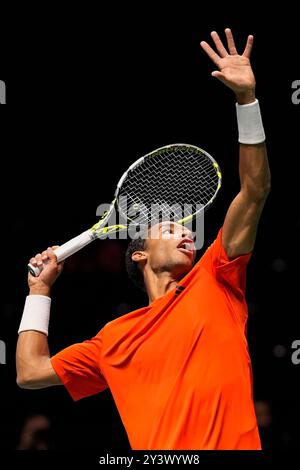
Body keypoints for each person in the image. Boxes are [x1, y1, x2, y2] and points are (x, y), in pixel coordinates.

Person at [16, 29, 270, 450]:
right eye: (170, 228)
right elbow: (29, 372)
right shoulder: (113, 339)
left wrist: (247, 101)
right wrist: (39, 292)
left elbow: (255, 190)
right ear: (139, 254)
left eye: (187, 229)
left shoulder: (216, 279)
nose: (188, 233)